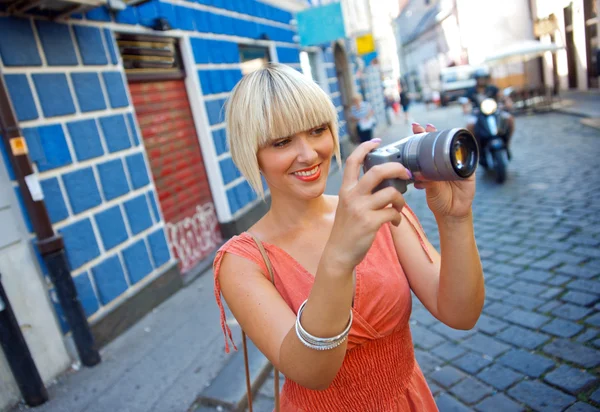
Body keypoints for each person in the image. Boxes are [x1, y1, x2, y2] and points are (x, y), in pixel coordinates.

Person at [214, 64, 485, 411]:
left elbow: (461, 314)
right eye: (282, 142)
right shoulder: (242, 262)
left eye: (317, 130)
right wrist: (340, 255)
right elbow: (313, 372)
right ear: (252, 155)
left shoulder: (374, 209)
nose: (309, 154)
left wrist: (455, 218)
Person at [463, 68, 514, 157]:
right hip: (478, 114)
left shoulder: (492, 88)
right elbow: (465, 102)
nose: (482, 80)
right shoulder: (471, 91)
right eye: (480, 78)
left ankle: (507, 142)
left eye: (483, 78)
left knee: (510, 119)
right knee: (469, 126)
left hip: (494, 112)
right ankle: (476, 147)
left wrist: (507, 102)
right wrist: (466, 108)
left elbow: (502, 96)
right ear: (477, 80)